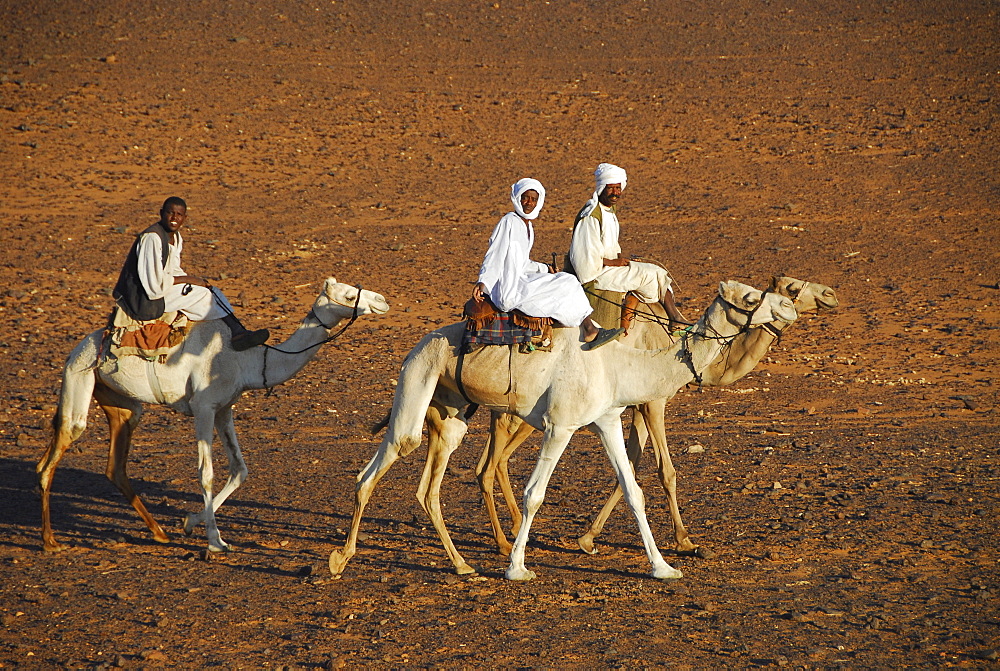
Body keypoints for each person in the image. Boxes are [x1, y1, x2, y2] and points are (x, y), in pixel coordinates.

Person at [473, 178, 622, 350]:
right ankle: (589, 329)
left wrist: (545, 269)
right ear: (517, 197)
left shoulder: (527, 226)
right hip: (509, 290)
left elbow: (521, 263)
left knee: (564, 279)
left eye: (533, 199)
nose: (529, 203)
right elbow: (495, 255)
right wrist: (484, 282)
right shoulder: (509, 221)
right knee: (568, 283)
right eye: (525, 198)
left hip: (519, 280)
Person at [112, 196, 270, 352]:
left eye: (179, 215)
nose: (174, 218)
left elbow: (172, 270)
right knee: (205, 296)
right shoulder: (152, 238)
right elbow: (153, 285)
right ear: (161, 213)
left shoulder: (176, 237)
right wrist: (190, 280)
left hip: (162, 288)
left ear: (184, 218)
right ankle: (236, 332)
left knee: (212, 291)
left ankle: (237, 331)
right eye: (170, 213)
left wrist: (192, 282)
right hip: (144, 298)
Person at [568, 163, 688, 332]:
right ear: (601, 187)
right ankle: (675, 318)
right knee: (650, 274)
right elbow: (584, 262)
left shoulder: (609, 211)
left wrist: (622, 260)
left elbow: (609, 246)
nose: (616, 193)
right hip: (594, 276)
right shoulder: (590, 216)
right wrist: (612, 263)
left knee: (656, 270)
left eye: (618, 188)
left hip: (606, 268)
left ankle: (673, 316)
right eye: (611, 188)